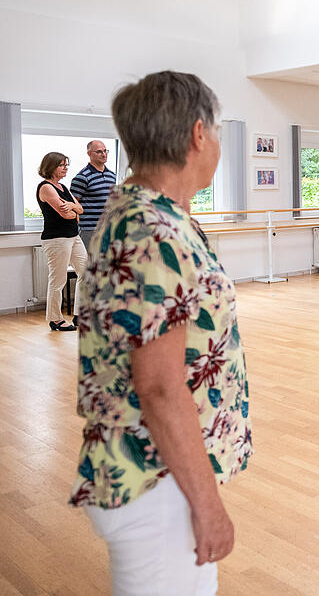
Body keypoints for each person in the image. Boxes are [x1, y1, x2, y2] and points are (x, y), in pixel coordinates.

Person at [68, 71, 253, 595]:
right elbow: (159, 385)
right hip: (155, 481)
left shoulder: (146, 210)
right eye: (215, 130)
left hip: (156, 472)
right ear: (198, 135)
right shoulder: (154, 229)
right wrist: (208, 506)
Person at [36, 152, 86, 331]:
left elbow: (79, 209)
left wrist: (73, 207)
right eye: (62, 165)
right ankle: (55, 319)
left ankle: (80, 314)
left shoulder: (63, 187)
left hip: (73, 236)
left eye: (66, 165)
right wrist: (73, 210)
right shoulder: (46, 187)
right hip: (57, 239)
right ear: (51, 167)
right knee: (58, 279)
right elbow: (65, 214)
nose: (66, 168)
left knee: (85, 272)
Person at [70, 140, 118, 248]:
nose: (104, 154)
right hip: (90, 230)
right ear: (89, 154)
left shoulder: (113, 176)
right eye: (99, 152)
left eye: (105, 151)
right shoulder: (82, 177)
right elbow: (73, 205)